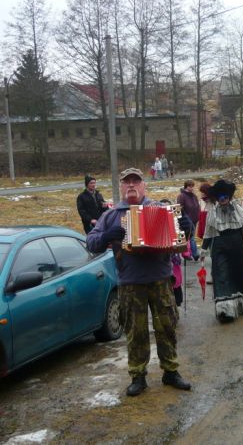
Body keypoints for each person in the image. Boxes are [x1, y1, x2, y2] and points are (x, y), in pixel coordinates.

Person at [86, 168, 192, 397]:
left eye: (136, 181)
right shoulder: (111, 215)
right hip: (130, 283)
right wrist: (105, 236)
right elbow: (91, 242)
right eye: (127, 182)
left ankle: (171, 371)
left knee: (167, 327)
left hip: (160, 280)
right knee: (135, 331)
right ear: (121, 187)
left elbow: (181, 238)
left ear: (144, 186)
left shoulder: (160, 209)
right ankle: (138, 375)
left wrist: (186, 228)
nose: (131, 185)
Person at [201, 179, 243, 322]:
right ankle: (225, 311)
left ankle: (240, 306)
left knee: (239, 276)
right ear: (217, 199)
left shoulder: (238, 209)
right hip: (219, 248)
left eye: (225, 197)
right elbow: (208, 233)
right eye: (220, 198)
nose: (223, 200)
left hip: (237, 247)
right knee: (222, 277)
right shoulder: (213, 213)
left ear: (229, 197)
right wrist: (203, 250)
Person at [177, 180, 201, 262]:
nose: (192, 188)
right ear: (186, 186)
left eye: (192, 186)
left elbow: (197, 206)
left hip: (194, 219)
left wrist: (198, 216)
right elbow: (179, 208)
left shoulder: (194, 196)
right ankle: (194, 254)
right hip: (186, 220)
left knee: (189, 238)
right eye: (190, 186)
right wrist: (183, 219)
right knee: (190, 238)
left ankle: (188, 254)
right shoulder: (182, 196)